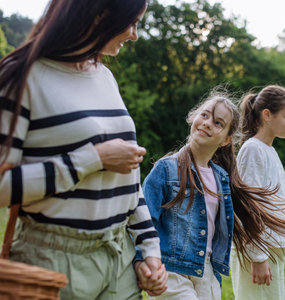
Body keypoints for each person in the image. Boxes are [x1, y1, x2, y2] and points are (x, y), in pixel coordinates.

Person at [0, 0, 168, 298]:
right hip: (53, 261)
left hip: (119, 257)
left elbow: (127, 177)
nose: (134, 35)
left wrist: (149, 247)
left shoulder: (104, 76)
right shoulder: (21, 76)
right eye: (131, 22)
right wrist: (92, 160)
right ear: (99, 15)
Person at [140, 89, 285, 300]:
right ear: (193, 117)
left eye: (218, 123)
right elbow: (144, 221)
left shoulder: (221, 177)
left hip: (208, 271)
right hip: (173, 268)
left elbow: (248, 208)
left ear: (226, 140)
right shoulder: (165, 170)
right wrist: (146, 261)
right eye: (204, 115)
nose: (207, 123)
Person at [230, 85, 285, 300]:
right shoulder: (253, 150)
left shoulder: (267, 150)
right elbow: (247, 208)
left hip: (269, 248)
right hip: (258, 250)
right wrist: (258, 257)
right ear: (267, 115)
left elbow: (273, 199)